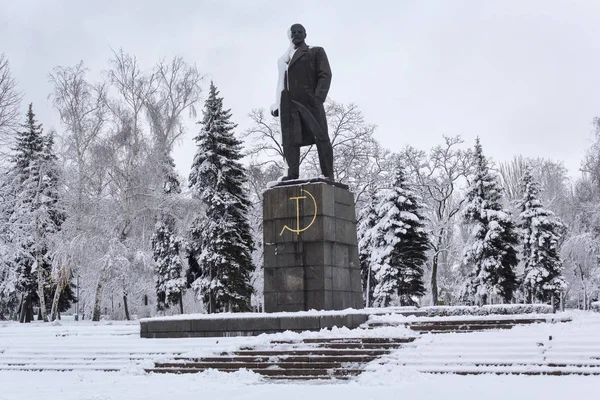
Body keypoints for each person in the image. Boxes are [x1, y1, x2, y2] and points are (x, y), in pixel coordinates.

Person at [271, 23, 334, 181]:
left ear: (305, 35)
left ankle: (327, 174)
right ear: (289, 35)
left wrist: (318, 98)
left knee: (321, 137)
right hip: (288, 105)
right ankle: (292, 174)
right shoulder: (282, 60)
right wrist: (277, 103)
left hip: (310, 103)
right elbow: (281, 82)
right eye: (294, 32)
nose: (297, 34)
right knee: (290, 141)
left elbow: (325, 75)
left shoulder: (315, 51)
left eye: (300, 32)